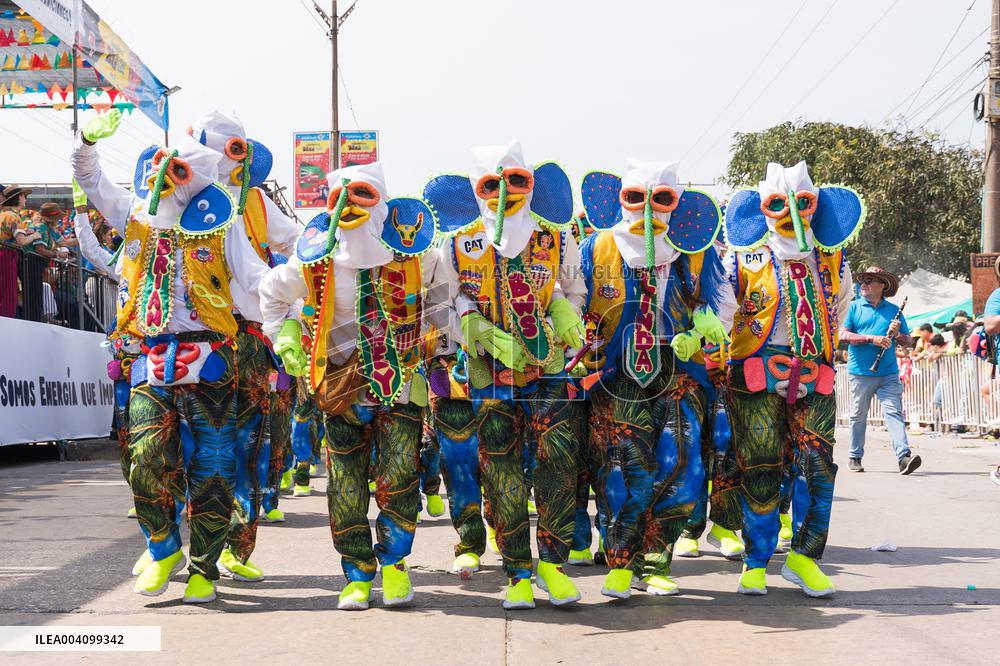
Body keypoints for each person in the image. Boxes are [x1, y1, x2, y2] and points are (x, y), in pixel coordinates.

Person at [73, 109, 270, 604]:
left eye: (177, 171)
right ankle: (162, 547)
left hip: (211, 355)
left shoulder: (221, 224)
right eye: (160, 167)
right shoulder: (135, 214)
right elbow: (91, 181)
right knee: (142, 458)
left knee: (215, 467)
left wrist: (291, 304)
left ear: (197, 181)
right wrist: (87, 142)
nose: (164, 178)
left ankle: (205, 567)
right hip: (151, 356)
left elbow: (253, 277)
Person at [260, 162, 437, 611]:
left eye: (360, 193)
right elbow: (272, 291)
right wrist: (285, 335)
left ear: (381, 200)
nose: (346, 204)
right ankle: (357, 573)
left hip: (399, 387)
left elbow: (445, 297)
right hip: (340, 388)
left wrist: (448, 338)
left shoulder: (418, 253)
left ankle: (395, 567)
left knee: (399, 479)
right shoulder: (315, 259)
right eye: (336, 195)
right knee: (345, 486)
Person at [423, 140, 587, 609]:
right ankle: (517, 571)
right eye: (492, 183)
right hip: (486, 367)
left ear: (532, 184)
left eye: (517, 180)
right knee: (502, 470)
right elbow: (441, 301)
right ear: (477, 189)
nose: (504, 192)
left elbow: (575, 287)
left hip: (548, 364)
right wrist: (469, 323)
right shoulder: (456, 241)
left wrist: (561, 309)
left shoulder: (557, 235)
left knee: (558, 464)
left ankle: (552, 566)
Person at [576, 159, 735, 598]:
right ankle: (621, 564)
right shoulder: (596, 247)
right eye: (636, 198)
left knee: (683, 465)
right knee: (620, 469)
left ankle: (656, 560)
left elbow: (720, 304)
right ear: (619, 200)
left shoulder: (696, 249)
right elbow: (575, 300)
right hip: (617, 371)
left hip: (679, 368)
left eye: (661, 199)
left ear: (676, 204)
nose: (649, 210)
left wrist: (699, 328)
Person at [723, 161, 860, 598]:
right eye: (778, 204)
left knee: (819, 466)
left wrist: (819, 348)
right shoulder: (742, 257)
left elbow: (839, 307)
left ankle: (803, 558)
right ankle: (756, 560)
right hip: (755, 369)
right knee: (761, 465)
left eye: (802, 203)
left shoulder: (833, 257)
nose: (791, 213)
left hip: (815, 367)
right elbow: (725, 309)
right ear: (761, 208)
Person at [188, 111, 300, 582]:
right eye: (227, 148)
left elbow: (299, 240)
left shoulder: (254, 202)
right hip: (196, 337)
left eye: (239, 149)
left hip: (249, 337)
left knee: (247, 445)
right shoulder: (181, 196)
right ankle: (170, 543)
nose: (234, 159)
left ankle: (237, 546)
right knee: (187, 445)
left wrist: (285, 301)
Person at [840, 266, 921, 475]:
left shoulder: (894, 310)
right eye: (863, 280)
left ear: (881, 285)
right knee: (858, 416)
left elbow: (909, 340)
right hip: (860, 372)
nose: (864, 284)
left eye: (869, 281)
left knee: (894, 413)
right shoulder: (854, 307)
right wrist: (870, 338)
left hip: (888, 372)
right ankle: (855, 456)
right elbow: (842, 335)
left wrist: (897, 335)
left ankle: (904, 457)